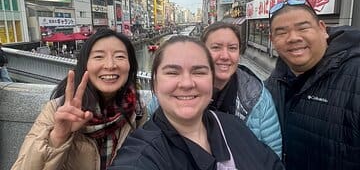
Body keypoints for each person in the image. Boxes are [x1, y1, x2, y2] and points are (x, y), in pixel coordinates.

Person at [109, 35, 284, 170]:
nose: (187, 83)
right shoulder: (142, 155)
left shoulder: (233, 126)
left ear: (211, 81)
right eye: (172, 72)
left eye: (199, 72)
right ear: (155, 83)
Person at [12, 28, 147, 170]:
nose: (110, 65)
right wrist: (58, 136)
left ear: (130, 65)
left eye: (120, 56)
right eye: (98, 57)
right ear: (85, 65)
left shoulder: (136, 109)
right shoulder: (58, 110)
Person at [265, 0, 360, 170]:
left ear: (323, 29)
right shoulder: (272, 84)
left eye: (303, 28)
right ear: (272, 40)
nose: (293, 38)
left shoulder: (355, 74)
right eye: (281, 32)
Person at [200, 22, 282, 157]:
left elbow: (273, 157)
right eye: (216, 47)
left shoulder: (258, 98)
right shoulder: (178, 93)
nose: (225, 56)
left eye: (232, 48)